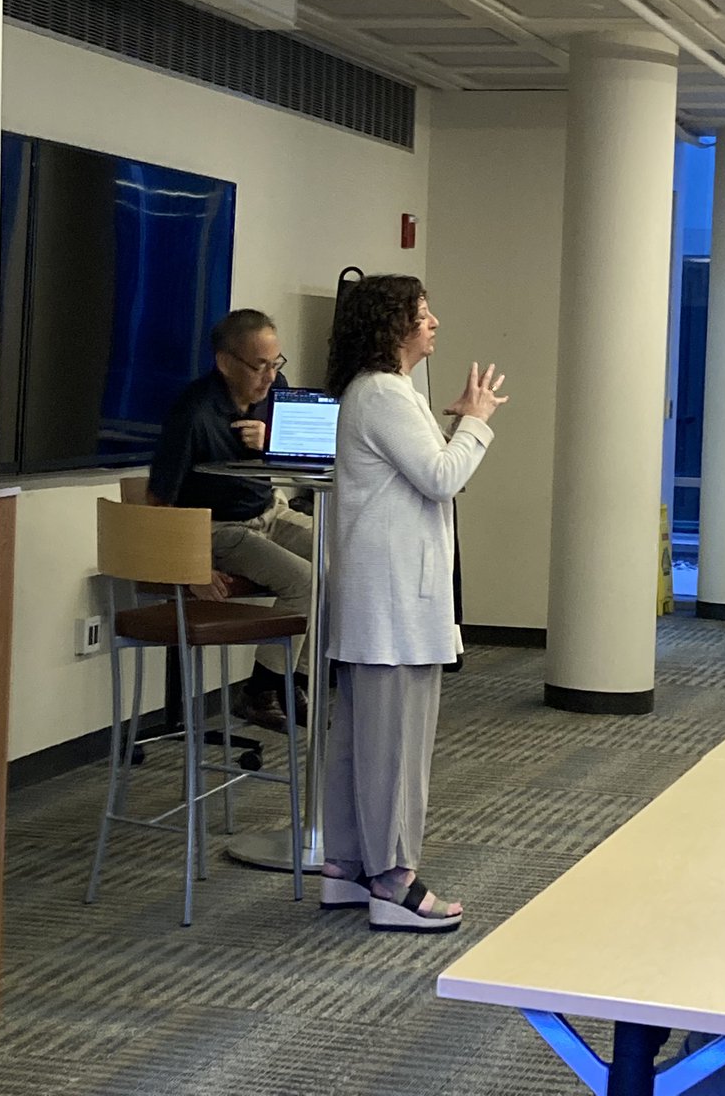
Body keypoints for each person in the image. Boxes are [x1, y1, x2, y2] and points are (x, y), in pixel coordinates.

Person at [320, 274, 507, 933]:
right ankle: (394, 882)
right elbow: (441, 477)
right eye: (422, 315)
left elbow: (417, 467)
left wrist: (453, 419)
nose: (434, 323)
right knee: (396, 747)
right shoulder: (386, 392)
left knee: (361, 742)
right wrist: (476, 426)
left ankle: (344, 867)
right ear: (391, 325)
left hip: (384, 597)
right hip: (395, 603)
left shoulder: (379, 392)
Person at [147, 308, 312, 733]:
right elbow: (159, 502)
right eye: (260, 366)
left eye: (277, 364)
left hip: (269, 511)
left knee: (347, 555)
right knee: (306, 580)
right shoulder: (194, 413)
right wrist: (190, 570)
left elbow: (311, 456)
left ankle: (296, 680)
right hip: (218, 528)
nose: (271, 377)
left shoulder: (276, 391)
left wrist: (272, 440)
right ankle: (261, 690)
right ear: (225, 363)